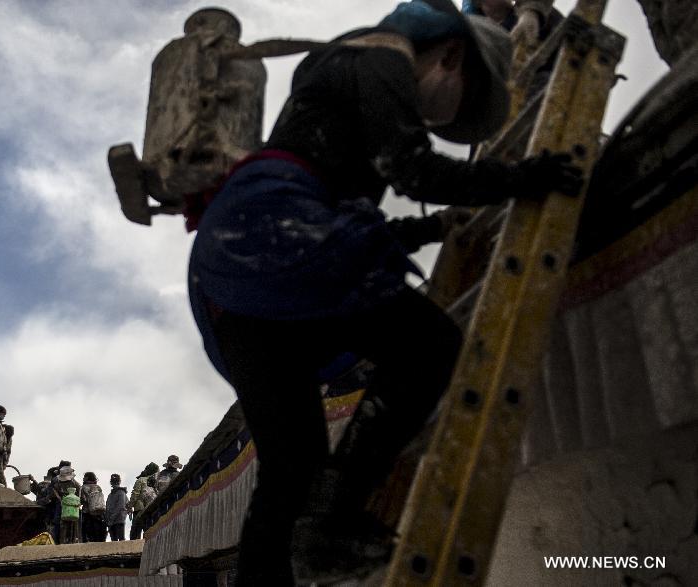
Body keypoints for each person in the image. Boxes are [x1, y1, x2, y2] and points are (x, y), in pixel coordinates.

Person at [186, 0, 582, 584]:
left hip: (235, 274)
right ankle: (334, 522)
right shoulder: (382, 58)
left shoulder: (337, 85)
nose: (434, 123)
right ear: (451, 55)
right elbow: (416, 172)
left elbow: (338, 225)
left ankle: (288, 557)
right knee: (431, 345)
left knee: (290, 471)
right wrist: (528, 177)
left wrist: (428, 230)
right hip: (278, 243)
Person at [128, 462, 160, 539]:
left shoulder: (141, 480)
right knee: (148, 530)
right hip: (151, 509)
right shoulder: (156, 481)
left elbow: (135, 495)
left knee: (135, 532)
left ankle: (135, 548)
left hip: (140, 509)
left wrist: (130, 506)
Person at [51, 465, 82, 544]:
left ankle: (67, 543)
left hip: (71, 509)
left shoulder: (76, 485)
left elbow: (80, 499)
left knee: (71, 528)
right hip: (64, 509)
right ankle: (65, 543)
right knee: (65, 527)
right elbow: (54, 492)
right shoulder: (58, 484)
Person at [81, 472, 108, 542]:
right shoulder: (98, 487)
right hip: (98, 512)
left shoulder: (83, 487)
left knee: (87, 531)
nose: (83, 478)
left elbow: (82, 500)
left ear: (87, 478)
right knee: (98, 531)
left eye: (84, 477)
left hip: (87, 512)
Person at [105, 474, 128, 542]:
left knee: (121, 539)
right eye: (113, 481)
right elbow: (107, 508)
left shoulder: (121, 493)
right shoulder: (110, 495)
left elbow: (121, 507)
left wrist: (111, 518)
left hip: (119, 520)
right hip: (111, 521)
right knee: (113, 540)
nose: (114, 483)